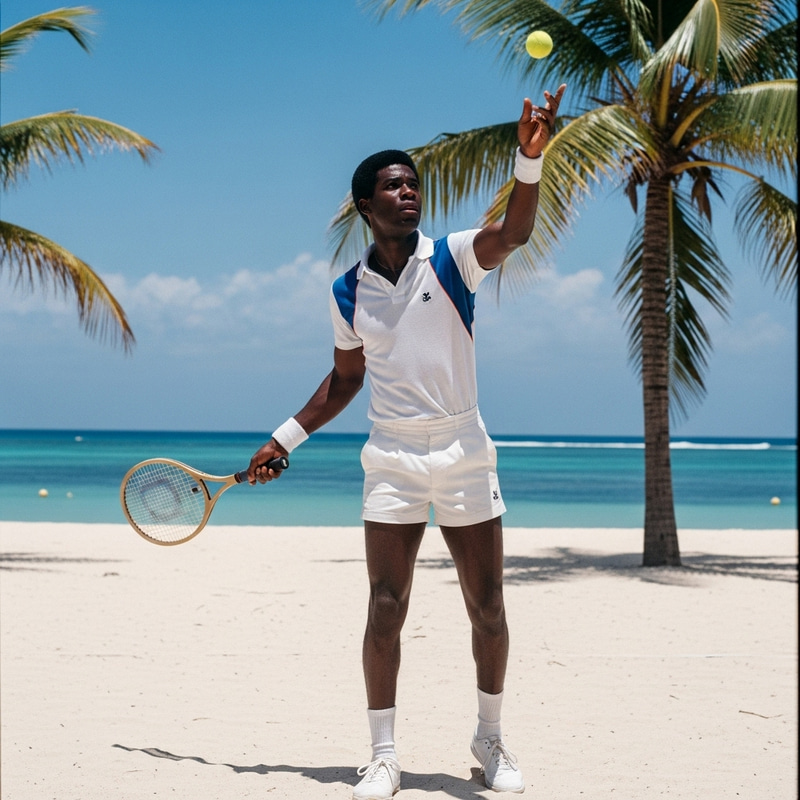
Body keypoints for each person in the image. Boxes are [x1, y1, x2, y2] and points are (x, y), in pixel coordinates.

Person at [248, 83, 566, 799]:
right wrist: (284, 438)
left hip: (463, 451)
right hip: (390, 458)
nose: (408, 194)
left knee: (487, 606)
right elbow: (343, 379)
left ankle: (489, 738)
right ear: (366, 205)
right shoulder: (347, 291)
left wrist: (528, 158)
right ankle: (383, 754)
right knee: (385, 606)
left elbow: (513, 232)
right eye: (393, 187)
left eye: (413, 185)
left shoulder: (454, 259)